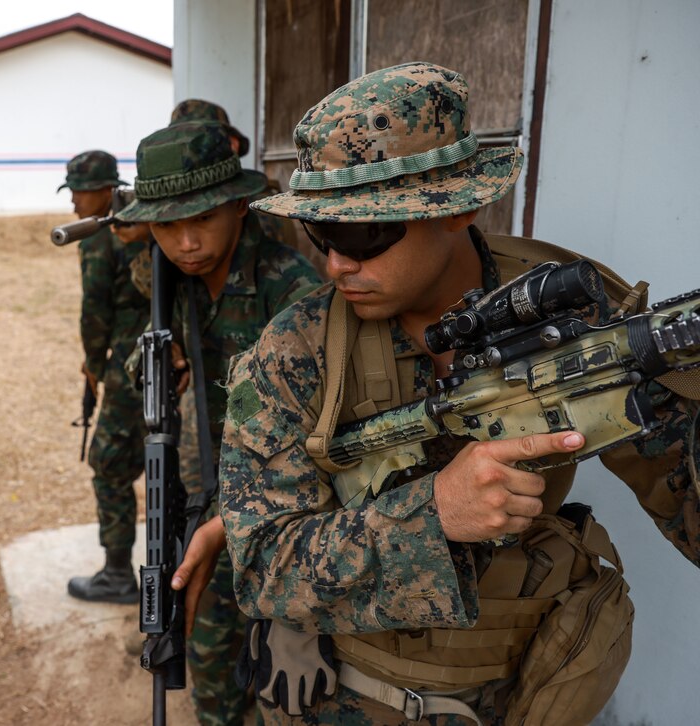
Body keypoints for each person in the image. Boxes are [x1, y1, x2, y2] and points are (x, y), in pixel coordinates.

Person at [214, 62, 700, 724]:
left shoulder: (575, 312)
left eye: (362, 234)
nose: (336, 264)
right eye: (320, 234)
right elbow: (261, 568)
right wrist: (434, 512)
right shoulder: (292, 352)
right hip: (347, 697)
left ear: (459, 206)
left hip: (524, 688)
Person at [116, 121, 321, 725]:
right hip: (200, 489)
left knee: (278, 677)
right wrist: (153, 359)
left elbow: (316, 434)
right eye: (167, 224)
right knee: (209, 670)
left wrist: (234, 518)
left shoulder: (290, 290)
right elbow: (143, 347)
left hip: (276, 507)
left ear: (238, 206)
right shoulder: (171, 285)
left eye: (201, 219)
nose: (185, 242)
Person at [58, 150, 149, 603]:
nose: (73, 202)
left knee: (109, 464)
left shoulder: (99, 237)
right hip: (167, 354)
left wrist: (93, 365)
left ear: (103, 190)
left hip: (130, 364)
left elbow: (94, 313)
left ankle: (117, 575)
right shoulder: (148, 222)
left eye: (77, 191)